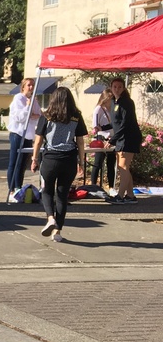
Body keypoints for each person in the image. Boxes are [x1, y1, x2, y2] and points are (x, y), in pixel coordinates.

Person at [30, 87, 86, 242]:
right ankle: (58, 231)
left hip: (50, 159)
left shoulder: (47, 116)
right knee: (62, 195)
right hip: (69, 159)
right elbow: (80, 141)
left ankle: (50, 218)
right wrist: (81, 161)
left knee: (47, 191)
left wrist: (34, 158)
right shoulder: (76, 116)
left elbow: (39, 139)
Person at [99, 77, 141, 204]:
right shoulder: (114, 102)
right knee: (124, 167)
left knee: (122, 167)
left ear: (123, 88)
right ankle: (130, 196)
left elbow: (125, 123)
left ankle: (120, 196)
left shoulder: (127, 102)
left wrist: (112, 139)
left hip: (129, 137)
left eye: (120, 87)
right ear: (111, 88)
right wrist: (103, 127)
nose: (117, 89)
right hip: (121, 137)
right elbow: (115, 123)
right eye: (115, 87)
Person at [6, 78, 41, 202]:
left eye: (33, 85)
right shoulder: (18, 99)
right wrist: (27, 108)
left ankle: (18, 187)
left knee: (22, 164)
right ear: (23, 87)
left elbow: (38, 115)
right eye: (29, 85)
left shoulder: (34, 100)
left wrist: (31, 114)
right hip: (18, 133)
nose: (31, 87)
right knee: (14, 162)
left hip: (29, 135)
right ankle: (11, 189)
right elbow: (19, 118)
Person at [89, 88, 116, 191]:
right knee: (98, 163)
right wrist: (102, 133)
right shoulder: (99, 109)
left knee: (111, 164)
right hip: (102, 137)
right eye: (109, 98)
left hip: (112, 138)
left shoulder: (113, 108)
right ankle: (93, 185)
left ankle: (111, 187)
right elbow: (95, 126)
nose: (110, 100)